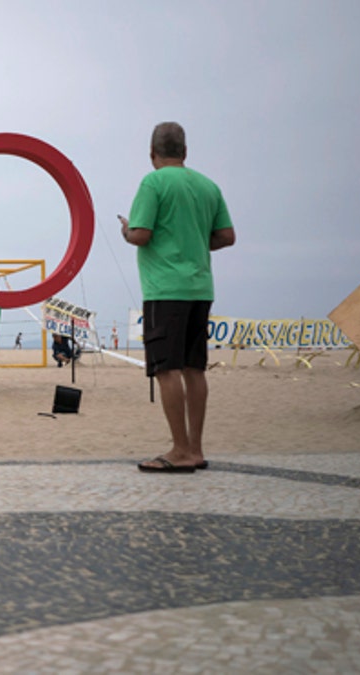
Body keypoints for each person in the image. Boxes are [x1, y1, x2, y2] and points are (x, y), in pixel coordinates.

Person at [121, 121, 235, 473]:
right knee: (194, 368)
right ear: (185, 152)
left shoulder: (153, 182)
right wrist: (197, 243)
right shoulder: (207, 185)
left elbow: (142, 234)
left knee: (166, 368)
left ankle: (180, 449)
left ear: (153, 153)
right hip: (200, 288)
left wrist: (126, 230)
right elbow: (227, 236)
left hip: (165, 289)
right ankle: (196, 449)